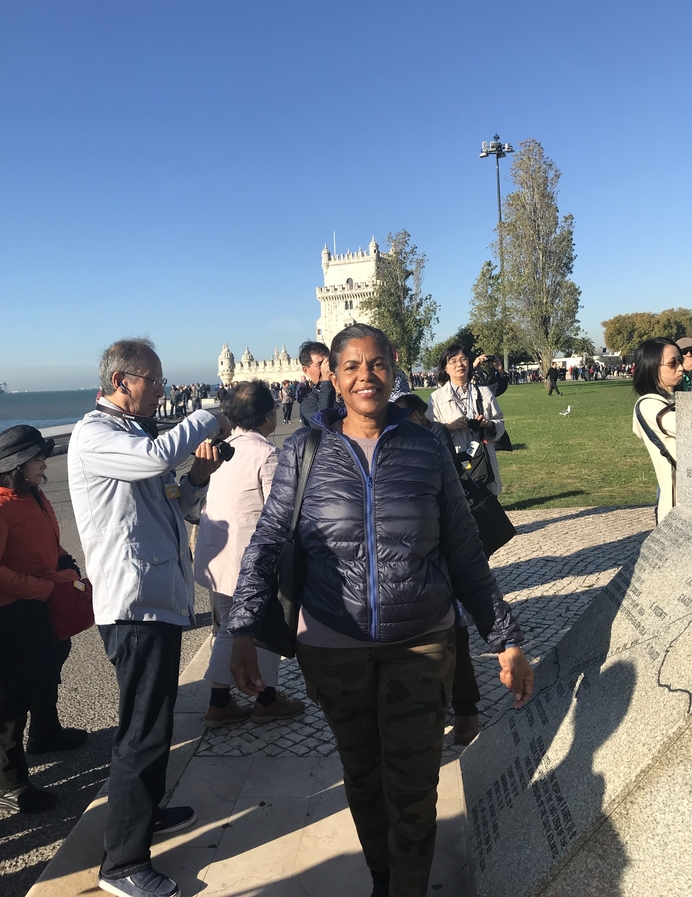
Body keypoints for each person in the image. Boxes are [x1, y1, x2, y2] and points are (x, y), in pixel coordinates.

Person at [228, 323, 533, 897]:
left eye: (377, 365)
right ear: (334, 378)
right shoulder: (303, 452)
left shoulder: (426, 447)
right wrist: (243, 629)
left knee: (414, 786)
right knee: (364, 778)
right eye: (351, 366)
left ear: (394, 368)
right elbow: (266, 544)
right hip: (333, 648)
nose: (365, 376)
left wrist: (506, 638)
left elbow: (464, 550)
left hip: (419, 644)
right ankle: (381, 880)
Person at [68, 338, 231, 897]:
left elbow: (173, 502)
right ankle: (123, 865)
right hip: (133, 606)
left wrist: (200, 480)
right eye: (154, 381)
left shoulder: (134, 435)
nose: (162, 391)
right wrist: (210, 416)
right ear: (121, 382)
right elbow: (156, 460)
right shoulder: (96, 435)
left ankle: (143, 813)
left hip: (157, 602)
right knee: (141, 730)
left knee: (153, 722)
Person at [0, 426, 87, 815]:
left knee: (53, 659)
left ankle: (45, 732)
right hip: (11, 612)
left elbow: (49, 541)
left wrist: (66, 562)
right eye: (38, 458)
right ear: (18, 465)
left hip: (41, 602)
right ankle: (10, 783)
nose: (44, 464)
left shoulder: (33, 496)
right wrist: (35, 588)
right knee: (16, 693)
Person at [194, 381, 304, 726]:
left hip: (217, 553)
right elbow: (279, 509)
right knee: (265, 625)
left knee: (230, 627)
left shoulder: (223, 447)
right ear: (268, 415)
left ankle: (222, 700)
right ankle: (263, 698)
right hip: (249, 558)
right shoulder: (265, 454)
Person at [425, 343, 505, 495]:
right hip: (454, 460)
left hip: (483, 459)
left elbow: (500, 423)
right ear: (445, 368)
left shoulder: (484, 392)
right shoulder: (437, 398)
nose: (459, 364)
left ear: (469, 363)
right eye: (453, 361)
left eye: (463, 359)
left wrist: (489, 425)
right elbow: (429, 430)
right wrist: (448, 427)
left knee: (488, 508)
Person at [632, 338, 683, 523]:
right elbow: (684, 426)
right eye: (672, 363)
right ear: (653, 368)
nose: (681, 368)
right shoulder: (648, 404)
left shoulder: (675, 399)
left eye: (680, 361)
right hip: (677, 506)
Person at [298, 340, 336, 426]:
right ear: (306, 370)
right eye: (320, 365)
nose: (327, 368)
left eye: (327, 363)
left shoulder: (343, 391)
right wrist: (326, 382)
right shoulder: (307, 405)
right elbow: (322, 422)